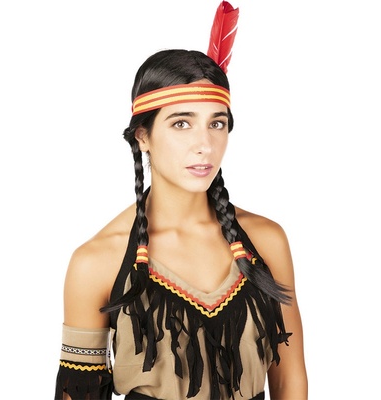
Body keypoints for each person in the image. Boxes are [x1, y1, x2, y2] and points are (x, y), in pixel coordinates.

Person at [54, 8, 308, 400]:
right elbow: (79, 393)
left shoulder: (266, 240)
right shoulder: (96, 262)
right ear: (143, 136)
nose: (204, 144)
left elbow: (289, 379)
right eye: (181, 123)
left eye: (216, 123)